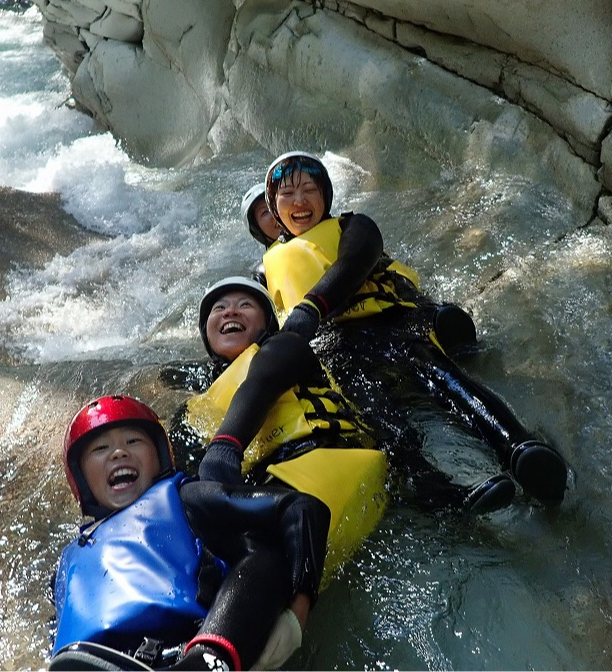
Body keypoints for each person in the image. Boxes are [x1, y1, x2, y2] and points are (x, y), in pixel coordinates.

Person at [260, 151, 570, 505]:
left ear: (325, 196)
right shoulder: (266, 270)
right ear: (275, 207)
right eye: (286, 194)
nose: (299, 201)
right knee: (379, 420)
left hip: (391, 326)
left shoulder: (354, 226)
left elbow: (355, 260)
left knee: (451, 383)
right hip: (334, 350)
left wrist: (312, 307)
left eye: (309, 190)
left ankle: (517, 446)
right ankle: (437, 490)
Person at [172, 276, 515, 547]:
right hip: (259, 488)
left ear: (267, 324)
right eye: (219, 309)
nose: (230, 312)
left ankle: (429, 486)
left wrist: (224, 450)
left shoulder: (284, 348)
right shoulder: (193, 407)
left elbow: (262, 381)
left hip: (325, 459)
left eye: (245, 305)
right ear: (205, 333)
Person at [50, 394, 331, 672]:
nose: (118, 453)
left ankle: (206, 663)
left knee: (264, 553)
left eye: (133, 441)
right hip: (89, 661)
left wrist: (297, 614)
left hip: (183, 653)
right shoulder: (66, 563)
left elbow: (300, 508)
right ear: (82, 478)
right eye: (100, 449)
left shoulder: (183, 497)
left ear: (160, 458)